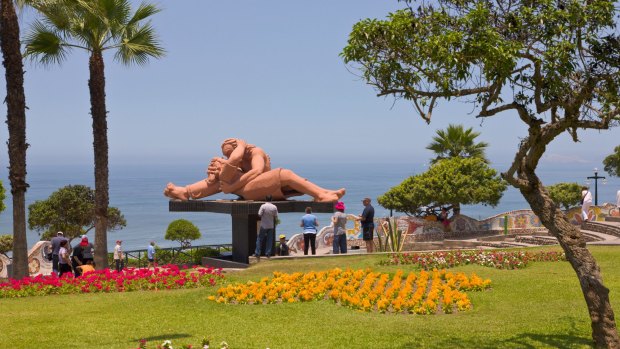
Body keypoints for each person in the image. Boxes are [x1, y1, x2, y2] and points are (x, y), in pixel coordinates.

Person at [164, 138, 345, 202]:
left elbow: (258, 172)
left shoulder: (255, 153)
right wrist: (230, 180)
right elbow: (228, 170)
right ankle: (185, 192)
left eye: (231, 153)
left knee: (287, 175)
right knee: (286, 174)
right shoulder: (234, 160)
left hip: (254, 189)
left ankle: (322, 193)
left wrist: (232, 185)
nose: (232, 158)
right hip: (251, 190)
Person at [255, 196, 278, 260]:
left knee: (259, 239)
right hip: (271, 225)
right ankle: (268, 253)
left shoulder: (263, 206)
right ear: (271, 199)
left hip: (264, 225)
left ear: (265, 199)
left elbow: (259, 214)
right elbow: (276, 216)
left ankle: (257, 253)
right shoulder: (274, 207)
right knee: (269, 240)